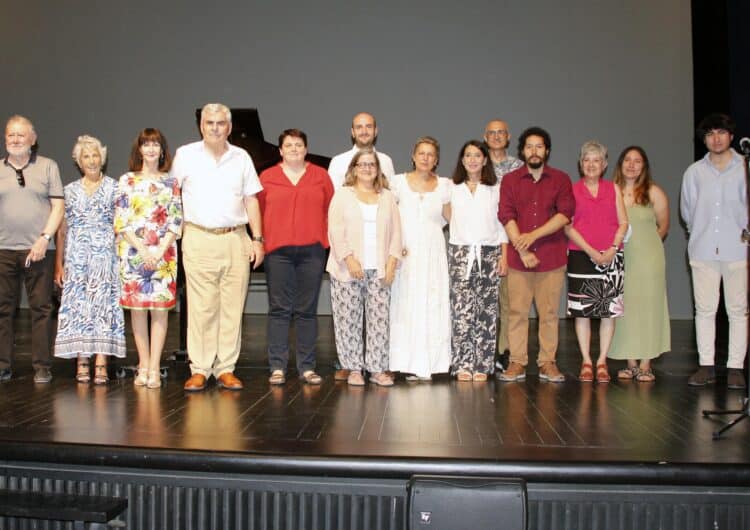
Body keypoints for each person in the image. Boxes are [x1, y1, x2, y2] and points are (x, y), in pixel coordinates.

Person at [170, 103, 265, 392]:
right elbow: (172, 196)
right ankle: (199, 368)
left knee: (232, 306)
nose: (214, 128)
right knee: (201, 307)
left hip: (236, 238)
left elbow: (251, 200)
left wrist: (257, 239)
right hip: (198, 237)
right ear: (201, 126)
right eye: (209, 122)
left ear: (229, 127)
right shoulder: (185, 155)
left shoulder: (242, 157)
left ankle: (225, 368)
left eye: (220, 123)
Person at [497, 127, 575, 383]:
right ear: (522, 151)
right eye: (529, 146)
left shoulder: (561, 179)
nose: (534, 151)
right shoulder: (510, 180)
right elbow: (506, 215)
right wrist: (523, 247)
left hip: (551, 258)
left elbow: (564, 214)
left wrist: (533, 237)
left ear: (547, 151)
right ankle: (517, 362)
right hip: (519, 261)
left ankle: (547, 363)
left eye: (539, 146)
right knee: (517, 313)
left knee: (549, 314)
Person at [258, 129, 334, 385]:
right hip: (277, 252)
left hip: (312, 251)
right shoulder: (267, 177)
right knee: (279, 310)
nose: (293, 149)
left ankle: (307, 367)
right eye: (288, 145)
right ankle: (277, 366)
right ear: (280, 150)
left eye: (298, 145)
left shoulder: (320, 176)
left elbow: (329, 210)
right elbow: (256, 210)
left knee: (306, 311)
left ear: (306, 148)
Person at [680, 113, 748, 389]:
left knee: (738, 310)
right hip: (704, 248)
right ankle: (705, 365)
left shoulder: (745, 167)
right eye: (710, 134)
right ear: (704, 139)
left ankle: (735, 367)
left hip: (739, 249)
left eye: (721, 132)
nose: (716, 138)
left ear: (731, 136)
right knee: (705, 309)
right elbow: (688, 211)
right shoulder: (695, 172)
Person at [54, 135, 126, 383]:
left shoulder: (115, 187)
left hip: (105, 256)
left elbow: (121, 225)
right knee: (79, 307)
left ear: (102, 158)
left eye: (95, 155)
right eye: (86, 156)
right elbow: (62, 230)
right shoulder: (69, 190)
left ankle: (102, 361)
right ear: (78, 161)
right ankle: (81, 360)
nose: (92, 160)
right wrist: (59, 264)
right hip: (76, 258)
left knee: (103, 306)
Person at [327, 148, 402, 386]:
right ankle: (355, 369)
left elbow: (397, 233)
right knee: (347, 320)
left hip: (379, 269)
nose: (367, 168)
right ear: (354, 169)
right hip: (347, 268)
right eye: (362, 164)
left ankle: (377, 369)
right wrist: (349, 259)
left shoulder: (388, 196)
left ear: (378, 169)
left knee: (379, 319)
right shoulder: (342, 195)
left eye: (372, 164)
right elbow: (335, 229)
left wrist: (392, 263)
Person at [115, 128, 183, 389]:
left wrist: (159, 249)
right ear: (139, 149)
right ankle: (142, 364)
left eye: (156, 144)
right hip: (134, 252)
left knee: (159, 311)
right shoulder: (127, 180)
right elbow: (121, 221)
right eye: (147, 144)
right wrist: (143, 250)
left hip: (164, 253)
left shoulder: (171, 182)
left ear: (162, 150)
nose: (151, 149)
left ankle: (155, 367)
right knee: (138, 311)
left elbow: (176, 221)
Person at [0, 115, 64, 383]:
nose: (15, 139)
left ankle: (42, 366)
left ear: (32, 139)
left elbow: (58, 207)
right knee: (3, 309)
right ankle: (3, 365)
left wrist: (43, 238)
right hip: (3, 249)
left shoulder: (48, 167)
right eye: (10, 135)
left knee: (41, 308)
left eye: (20, 135)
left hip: (39, 250)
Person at [443, 140, 508, 382]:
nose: (472, 159)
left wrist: (504, 256)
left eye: (477, 155)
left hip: (489, 253)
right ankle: (462, 363)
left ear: (484, 160)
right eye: (467, 155)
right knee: (461, 310)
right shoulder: (452, 187)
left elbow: (501, 225)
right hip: (460, 253)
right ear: (462, 160)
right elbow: (444, 212)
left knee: (487, 311)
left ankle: (483, 364)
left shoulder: (495, 189)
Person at [564, 141, 628, 384]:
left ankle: (601, 361)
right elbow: (567, 225)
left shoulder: (614, 189)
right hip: (581, 255)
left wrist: (612, 248)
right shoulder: (571, 189)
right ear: (581, 164)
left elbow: (624, 222)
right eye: (587, 160)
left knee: (607, 313)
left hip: (612, 255)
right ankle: (586, 361)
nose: (591, 164)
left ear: (605, 164)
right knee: (582, 313)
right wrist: (591, 251)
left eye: (596, 160)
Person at [389, 136, 451, 381]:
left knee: (432, 304)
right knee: (405, 305)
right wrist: (393, 248)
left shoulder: (445, 185)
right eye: (421, 153)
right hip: (406, 253)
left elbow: (454, 221)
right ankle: (405, 362)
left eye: (431, 154)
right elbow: (388, 219)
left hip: (434, 253)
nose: (426, 158)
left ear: (436, 160)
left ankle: (431, 363)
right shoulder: (397, 183)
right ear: (413, 156)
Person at [609, 146, 670, 381]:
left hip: (647, 258)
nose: (632, 165)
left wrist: (649, 248)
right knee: (626, 308)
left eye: (637, 161)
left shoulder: (653, 192)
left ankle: (646, 363)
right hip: (621, 257)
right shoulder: (611, 191)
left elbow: (663, 226)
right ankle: (630, 362)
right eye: (627, 160)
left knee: (648, 307)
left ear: (644, 166)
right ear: (620, 164)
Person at [484, 119, 524, 370]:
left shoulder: (519, 167)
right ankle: (483, 351)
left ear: (508, 137)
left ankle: (504, 352)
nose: (497, 136)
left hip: (510, 240)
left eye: (501, 133)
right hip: (482, 240)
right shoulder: (477, 163)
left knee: (509, 301)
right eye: (492, 133)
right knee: (484, 302)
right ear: (485, 136)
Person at [327, 112, 396, 189]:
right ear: (353, 132)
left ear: (375, 131)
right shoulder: (338, 162)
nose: (364, 132)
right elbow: (334, 197)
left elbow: (392, 195)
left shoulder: (386, 161)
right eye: (359, 127)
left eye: (369, 127)